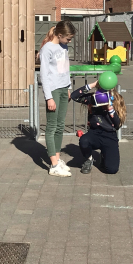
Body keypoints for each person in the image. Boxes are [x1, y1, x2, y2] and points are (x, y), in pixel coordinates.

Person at [39, 20, 77, 177]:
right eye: (68, 39)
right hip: (53, 90)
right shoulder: (47, 49)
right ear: (60, 35)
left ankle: (58, 159)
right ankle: (53, 165)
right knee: (52, 126)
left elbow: (65, 69)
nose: (69, 41)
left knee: (60, 125)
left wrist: (68, 87)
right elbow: (44, 75)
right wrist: (49, 98)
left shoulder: (63, 46)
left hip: (63, 89)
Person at [70, 80, 126, 174]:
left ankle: (104, 156)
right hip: (94, 132)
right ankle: (89, 159)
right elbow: (74, 96)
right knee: (84, 140)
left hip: (109, 135)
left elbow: (118, 125)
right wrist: (92, 85)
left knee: (112, 170)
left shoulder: (117, 99)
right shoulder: (93, 98)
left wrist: (110, 108)